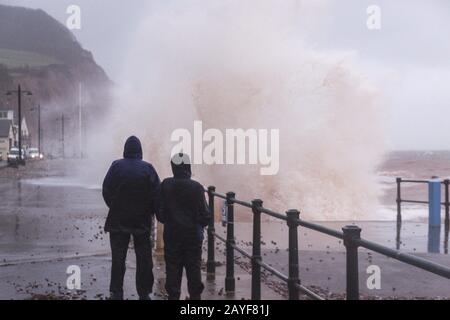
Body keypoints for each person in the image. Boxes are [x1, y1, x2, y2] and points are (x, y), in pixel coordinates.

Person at [102, 136, 160, 300]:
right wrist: (151, 211)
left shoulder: (116, 166)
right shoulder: (148, 168)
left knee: (118, 257)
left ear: (125, 150)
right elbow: (157, 194)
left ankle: (117, 291)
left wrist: (114, 205)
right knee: (144, 258)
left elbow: (106, 189)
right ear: (140, 151)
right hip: (141, 221)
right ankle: (143, 292)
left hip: (118, 219)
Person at [157, 153, 210, 300]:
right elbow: (206, 215)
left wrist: (169, 220)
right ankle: (195, 297)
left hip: (172, 234)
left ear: (173, 167)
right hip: (192, 235)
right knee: (193, 268)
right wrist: (199, 225)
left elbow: (159, 212)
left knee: (173, 267)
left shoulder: (166, 184)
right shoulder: (197, 187)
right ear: (188, 167)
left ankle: (173, 295)